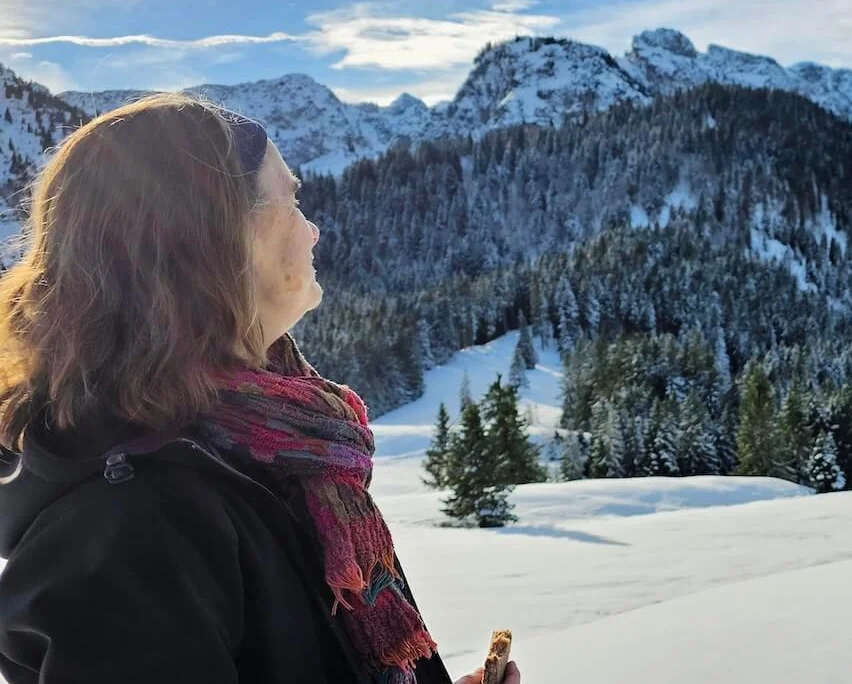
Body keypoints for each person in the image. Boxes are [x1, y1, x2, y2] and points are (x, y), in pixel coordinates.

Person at [0, 93, 520, 684]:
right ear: (216, 244)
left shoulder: (271, 455)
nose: (314, 230)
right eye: (291, 200)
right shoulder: (132, 531)